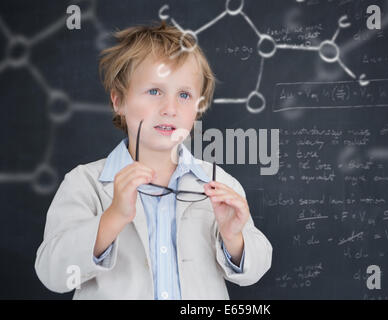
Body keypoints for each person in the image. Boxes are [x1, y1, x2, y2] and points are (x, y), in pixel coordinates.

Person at [34, 21, 272, 299]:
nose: (169, 109)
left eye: (184, 95)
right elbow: (53, 273)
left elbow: (256, 268)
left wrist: (234, 238)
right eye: (154, 91)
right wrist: (112, 217)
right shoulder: (84, 183)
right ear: (118, 101)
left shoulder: (219, 182)